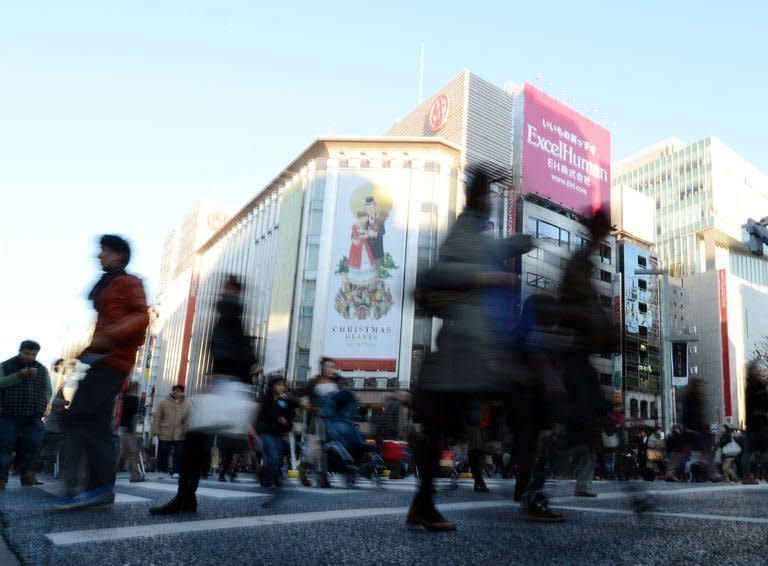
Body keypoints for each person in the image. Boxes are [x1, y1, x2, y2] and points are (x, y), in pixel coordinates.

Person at [407, 165, 541, 531]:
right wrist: (487, 276)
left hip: (474, 350)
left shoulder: (475, 231)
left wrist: (523, 242)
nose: (491, 206)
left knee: (442, 428)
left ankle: (423, 503)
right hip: (464, 348)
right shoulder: (463, 229)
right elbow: (443, 272)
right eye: (488, 197)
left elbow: (489, 250)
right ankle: (530, 495)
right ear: (479, 198)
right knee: (522, 408)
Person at [54, 235, 149, 510]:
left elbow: (142, 316)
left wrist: (109, 337)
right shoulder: (110, 282)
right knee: (91, 420)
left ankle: (89, 487)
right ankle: (95, 488)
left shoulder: (129, 281)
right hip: (101, 358)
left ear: (119, 256)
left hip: (113, 359)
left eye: (104, 252)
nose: (99, 256)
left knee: (83, 419)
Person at [150, 274, 255, 515]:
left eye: (226, 287)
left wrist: (223, 379)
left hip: (225, 385)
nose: (221, 291)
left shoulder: (230, 312)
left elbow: (234, 351)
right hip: (226, 384)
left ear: (234, 290)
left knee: (195, 441)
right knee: (197, 442)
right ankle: (186, 497)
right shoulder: (231, 313)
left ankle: (185, 497)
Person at [557, 210, 617, 497]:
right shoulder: (581, 262)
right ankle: (537, 484)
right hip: (572, 351)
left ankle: (580, 481)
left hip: (575, 352)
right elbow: (583, 307)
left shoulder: (583, 260)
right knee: (582, 420)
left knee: (584, 421)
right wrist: (604, 328)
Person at [0, 340, 51, 490]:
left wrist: (43, 403)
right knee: (4, 447)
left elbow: (47, 389)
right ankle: (1, 479)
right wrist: (17, 376)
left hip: (33, 415)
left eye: (33, 354)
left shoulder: (41, 369)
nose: (30, 357)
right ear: (20, 351)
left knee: (34, 444)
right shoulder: (6, 365)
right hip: (7, 414)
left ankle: (27, 475)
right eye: (27, 353)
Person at [298, 357, 342, 488]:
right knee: (313, 451)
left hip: (332, 422)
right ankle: (304, 468)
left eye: (332, 367)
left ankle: (324, 477)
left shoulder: (338, 382)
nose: (330, 369)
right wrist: (302, 401)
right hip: (316, 420)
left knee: (327, 450)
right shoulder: (314, 382)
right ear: (322, 368)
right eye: (328, 366)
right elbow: (297, 393)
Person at [255, 375, 301, 487]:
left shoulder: (285, 399)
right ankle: (273, 477)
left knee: (276, 455)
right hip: (266, 431)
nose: (281, 387)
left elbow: (293, 410)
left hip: (279, 433)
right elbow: (264, 412)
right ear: (272, 386)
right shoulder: (266, 398)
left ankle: (267, 477)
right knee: (272, 454)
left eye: (283, 385)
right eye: (278, 384)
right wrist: (278, 417)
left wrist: (289, 424)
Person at [151, 385, 189, 478]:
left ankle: (177, 471)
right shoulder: (163, 403)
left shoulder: (187, 404)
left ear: (182, 392)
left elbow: (189, 419)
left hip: (180, 433)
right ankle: (162, 470)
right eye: (174, 390)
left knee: (179, 453)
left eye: (179, 391)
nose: (176, 392)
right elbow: (157, 418)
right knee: (163, 452)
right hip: (165, 431)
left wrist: (188, 429)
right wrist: (155, 431)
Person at [741, 360, 768, 484]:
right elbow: (756, 404)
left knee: (757, 451)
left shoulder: (758, 385)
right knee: (752, 451)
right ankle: (748, 476)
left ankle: (750, 475)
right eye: (757, 369)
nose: (759, 371)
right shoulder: (753, 387)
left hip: (759, 423)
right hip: (756, 423)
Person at [119, 381, 143, 482]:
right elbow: (133, 417)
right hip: (129, 429)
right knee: (132, 453)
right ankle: (135, 475)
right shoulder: (134, 400)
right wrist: (136, 431)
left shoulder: (122, 398)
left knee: (123, 453)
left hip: (120, 427)